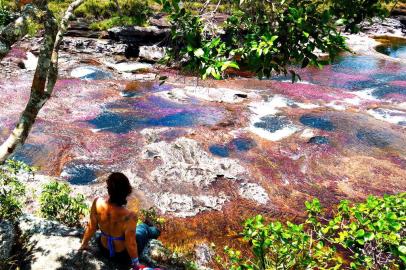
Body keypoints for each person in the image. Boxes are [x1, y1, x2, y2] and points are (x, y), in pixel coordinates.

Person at [80, 172, 160, 270]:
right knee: (143, 229)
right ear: (126, 192)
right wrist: (136, 264)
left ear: (108, 190)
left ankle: (149, 226)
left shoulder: (97, 202)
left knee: (139, 229)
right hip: (123, 256)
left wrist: (84, 244)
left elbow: (91, 226)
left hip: (104, 249)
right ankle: (156, 230)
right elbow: (131, 243)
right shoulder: (130, 216)